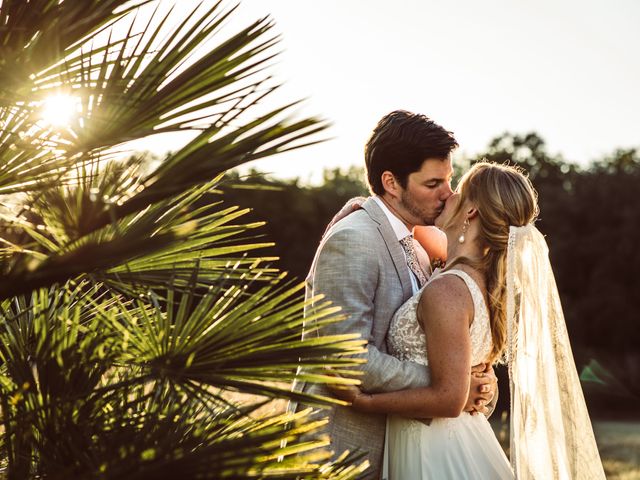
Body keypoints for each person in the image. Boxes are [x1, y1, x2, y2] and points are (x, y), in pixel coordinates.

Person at [332, 162, 606, 479]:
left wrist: (365, 402)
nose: (446, 195)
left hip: (434, 450)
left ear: (471, 212)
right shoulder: (486, 288)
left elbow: (450, 399)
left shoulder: (448, 290)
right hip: (451, 437)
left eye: (456, 191)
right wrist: (365, 207)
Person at [292, 111, 498, 479]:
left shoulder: (419, 241)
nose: (448, 194)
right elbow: (347, 358)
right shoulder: (354, 239)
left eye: (448, 180)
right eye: (432, 183)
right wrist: (449, 388)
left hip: (404, 450)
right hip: (341, 448)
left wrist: (472, 380)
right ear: (391, 182)